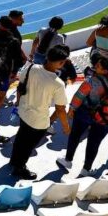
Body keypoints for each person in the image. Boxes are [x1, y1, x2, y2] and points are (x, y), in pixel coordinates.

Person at [57, 57, 108, 176]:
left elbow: (79, 96)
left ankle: (68, 160)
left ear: (105, 71)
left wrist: (71, 109)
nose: (94, 67)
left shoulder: (91, 81)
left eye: (98, 66)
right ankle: (86, 169)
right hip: (107, 118)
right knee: (94, 142)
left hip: (85, 113)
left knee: (75, 135)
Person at [10, 46, 71, 180]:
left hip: (23, 112)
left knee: (20, 138)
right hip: (38, 121)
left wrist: (18, 103)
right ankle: (20, 168)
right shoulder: (58, 84)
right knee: (28, 146)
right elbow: (60, 109)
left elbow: (20, 88)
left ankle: (14, 161)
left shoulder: (30, 68)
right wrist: (66, 126)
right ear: (60, 63)